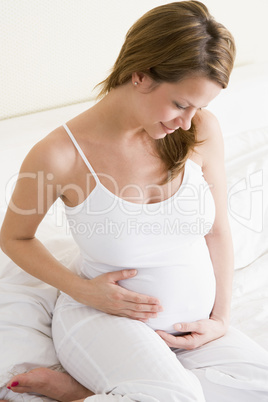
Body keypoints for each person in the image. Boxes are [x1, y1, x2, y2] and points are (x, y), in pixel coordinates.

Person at [1, 1, 268, 401]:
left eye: (200, 107)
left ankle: (86, 392)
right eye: (180, 104)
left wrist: (222, 320)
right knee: (178, 398)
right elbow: (14, 238)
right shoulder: (59, 154)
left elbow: (217, 230)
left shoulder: (201, 131)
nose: (188, 121)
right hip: (102, 319)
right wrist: (83, 290)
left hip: (193, 331)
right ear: (140, 75)